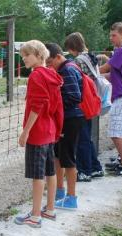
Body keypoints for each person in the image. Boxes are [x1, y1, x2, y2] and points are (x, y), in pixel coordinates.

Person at [14, 40, 63, 228]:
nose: (24, 58)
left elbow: (38, 105)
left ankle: (35, 216)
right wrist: (57, 128)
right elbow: (57, 106)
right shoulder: (52, 74)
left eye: (27, 55)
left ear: (39, 55)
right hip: (49, 130)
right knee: (50, 171)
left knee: (37, 175)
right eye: (23, 55)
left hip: (38, 132)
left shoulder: (36, 76)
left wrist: (25, 132)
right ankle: (49, 209)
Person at [46, 43, 85, 210]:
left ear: (57, 57)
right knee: (58, 155)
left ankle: (72, 198)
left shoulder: (67, 70)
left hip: (71, 119)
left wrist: (53, 102)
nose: (49, 67)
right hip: (65, 119)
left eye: (49, 63)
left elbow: (74, 96)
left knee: (68, 159)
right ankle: (60, 191)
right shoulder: (67, 68)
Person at [64, 32, 104, 182]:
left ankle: (85, 171)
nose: (68, 52)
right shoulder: (91, 57)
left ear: (73, 47)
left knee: (82, 139)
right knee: (87, 137)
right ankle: (95, 168)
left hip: (82, 103)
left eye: (69, 48)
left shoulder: (78, 61)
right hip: (92, 100)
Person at [99, 22, 122, 176]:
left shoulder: (121, 51)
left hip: (121, 97)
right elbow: (113, 74)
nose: (111, 38)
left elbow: (105, 68)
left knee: (115, 133)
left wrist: (87, 71)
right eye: (110, 35)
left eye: (114, 35)